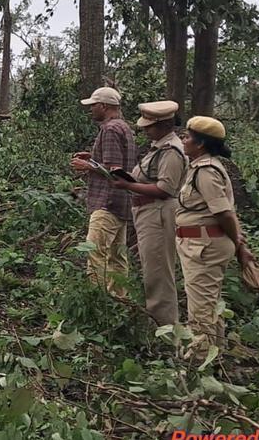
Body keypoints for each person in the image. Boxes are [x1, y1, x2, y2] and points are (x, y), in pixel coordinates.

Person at [173, 116, 255, 358]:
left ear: (200, 144)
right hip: (200, 244)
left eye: (187, 137)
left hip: (204, 247)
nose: (183, 140)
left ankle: (200, 361)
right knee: (209, 304)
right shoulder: (198, 167)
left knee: (201, 308)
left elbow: (224, 214)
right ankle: (214, 356)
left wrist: (239, 244)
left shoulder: (207, 171)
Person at [111, 100, 187, 325]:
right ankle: (159, 326)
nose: (145, 130)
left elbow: (165, 189)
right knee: (151, 271)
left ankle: (166, 331)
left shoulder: (172, 150)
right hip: (148, 212)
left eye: (149, 126)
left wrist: (127, 186)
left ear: (164, 125)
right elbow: (148, 177)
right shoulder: (159, 147)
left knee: (159, 274)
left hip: (159, 214)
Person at [70, 87, 137, 297]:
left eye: (93, 106)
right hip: (121, 203)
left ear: (104, 106)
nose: (90, 110)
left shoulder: (109, 130)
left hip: (107, 203)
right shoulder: (123, 127)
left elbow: (114, 171)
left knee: (95, 252)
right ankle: (119, 300)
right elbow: (118, 161)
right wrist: (92, 156)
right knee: (117, 257)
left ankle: (96, 301)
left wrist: (87, 166)